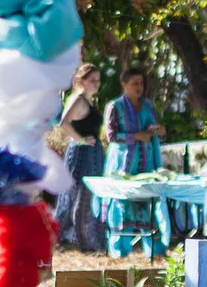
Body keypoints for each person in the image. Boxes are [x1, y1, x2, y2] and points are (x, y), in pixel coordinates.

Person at [104, 67, 165, 255]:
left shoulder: (148, 106)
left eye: (141, 83)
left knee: (147, 204)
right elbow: (111, 136)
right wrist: (136, 136)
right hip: (123, 166)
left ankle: (154, 250)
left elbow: (158, 133)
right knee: (122, 204)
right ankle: (119, 250)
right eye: (135, 83)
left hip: (147, 165)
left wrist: (159, 131)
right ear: (124, 85)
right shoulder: (115, 106)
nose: (139, 87)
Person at [53, 63, 106, 251]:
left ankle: (80, 241)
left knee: (86, 199)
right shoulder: (78, 100)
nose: (96, 83)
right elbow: (63, 123)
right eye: (92, 80)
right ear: (82, 81)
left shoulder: (89, 101)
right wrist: (80, 140)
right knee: (79, 198)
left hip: (92, 154)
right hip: (82, 154)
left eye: (98, 80)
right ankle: (82, 243)